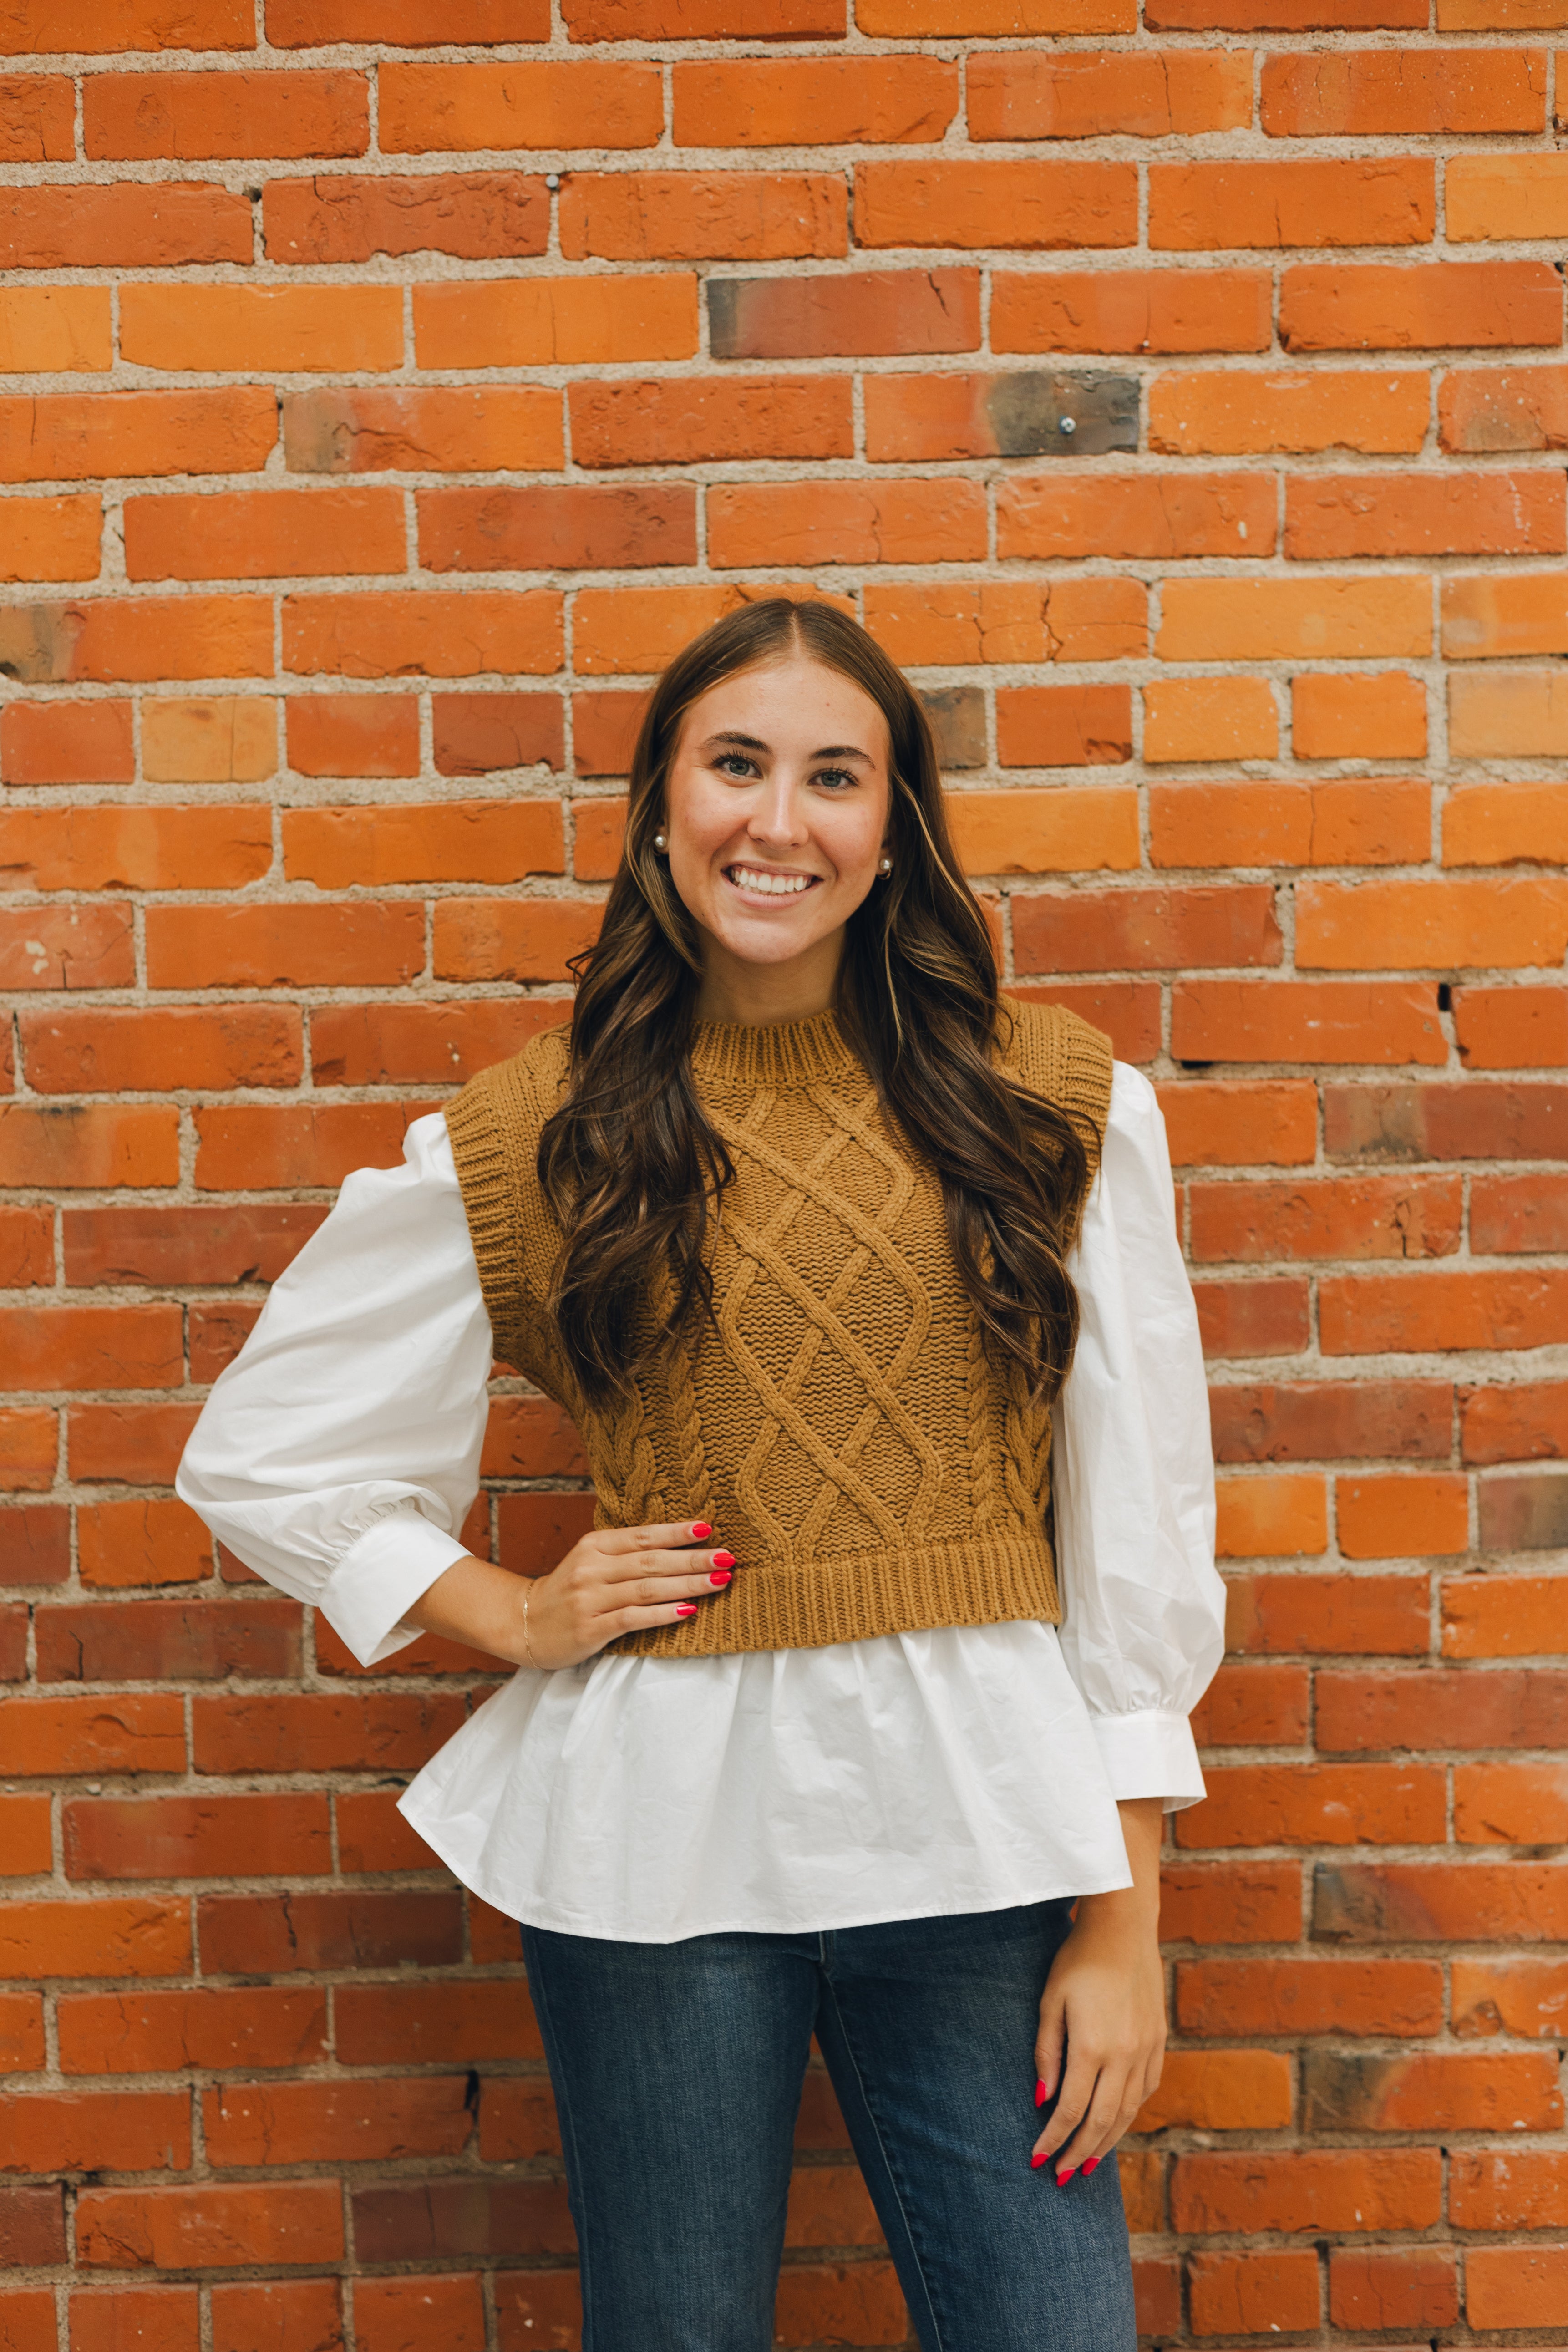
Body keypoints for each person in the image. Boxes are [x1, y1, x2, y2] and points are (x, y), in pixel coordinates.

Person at [179, 596, 1224, 2352]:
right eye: (736, 766)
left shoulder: (1049, 1107)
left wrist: (1127, 1922)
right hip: (654, 1867)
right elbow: (270, 1451)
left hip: (980, 1855)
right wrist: (507, 1610)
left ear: (892, 832)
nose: (779, 820)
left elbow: (1137, 1532)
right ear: (665, 806)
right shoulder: (538, 1133)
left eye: (835, 778)